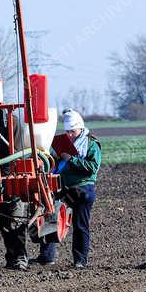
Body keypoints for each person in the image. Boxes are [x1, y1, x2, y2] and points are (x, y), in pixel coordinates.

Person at [31, 109, 102, 268]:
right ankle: (47, 256)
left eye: (73, 131)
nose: (70, 134)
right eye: (68, 131)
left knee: (80, 225)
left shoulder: (92, 144)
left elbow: (92, 168)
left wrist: (71, 160)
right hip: (64, 187)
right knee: (51, 215)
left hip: (83, 189)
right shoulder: (64, 143)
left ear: (81, 128)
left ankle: (80, 261)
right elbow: (57, 162)